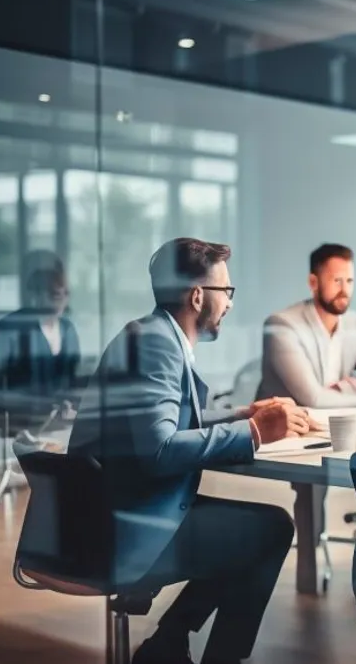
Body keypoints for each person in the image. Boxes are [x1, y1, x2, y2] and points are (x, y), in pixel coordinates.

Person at [67, 237, 315, 664]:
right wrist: (254, 431)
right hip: (128, 526)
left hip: (120, 507)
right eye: (227, 292)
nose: (230, 304)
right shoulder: (157, 344)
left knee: (255, 530)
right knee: (271, 529)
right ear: (198, 295)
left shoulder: (151, 334)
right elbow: (160, 449)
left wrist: (244, 414)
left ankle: (168, 643)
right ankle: (192, 648)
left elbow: (166, 425)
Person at [0, 250, 82, 434]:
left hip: (52, 431)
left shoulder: (68, 331)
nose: (60, 295)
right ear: (35, 290)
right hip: (4, 432)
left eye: (65, 291)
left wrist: (69, 404)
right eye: (52, 287)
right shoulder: (8, 330)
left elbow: (73, 385)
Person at [256, 243, 356, 408]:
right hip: (281, 429)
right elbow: (314, 399)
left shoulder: (355, 323)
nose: (344, 290)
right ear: (313, 283)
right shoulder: (282, 326)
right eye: (337, 280)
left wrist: (346, 387)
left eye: (349, 281)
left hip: (331, 424)